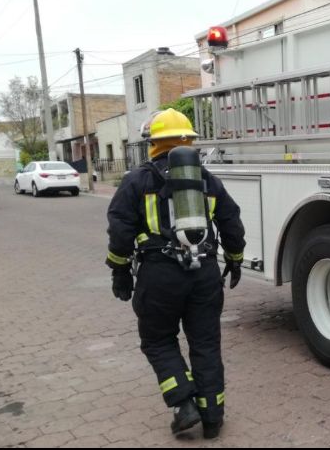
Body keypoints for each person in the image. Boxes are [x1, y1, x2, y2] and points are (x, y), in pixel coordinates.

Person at [105, 108, 245, 439]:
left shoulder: (137, 180)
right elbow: (231, 222)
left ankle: (184, 404)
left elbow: (120, 230)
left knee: (157, 339)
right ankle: (213, 416)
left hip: (159, 275)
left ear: (153, 143)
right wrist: (235, 260)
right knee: (206, 343)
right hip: (205, 274)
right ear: (190, 142)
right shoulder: (207, 180)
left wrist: (120, 271)